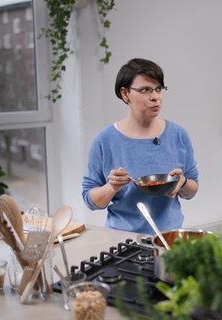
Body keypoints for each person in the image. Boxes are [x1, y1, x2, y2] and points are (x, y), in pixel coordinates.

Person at [82, 58, 199, 234]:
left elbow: (192, 189)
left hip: (170, 238)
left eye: (158, 89)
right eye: (145, 90)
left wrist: (182, 183)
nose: (155, 97)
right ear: (125, 94)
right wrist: (111, 186)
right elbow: (90, 200)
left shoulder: (178, 134)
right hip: (122, 240)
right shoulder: (105, 140)